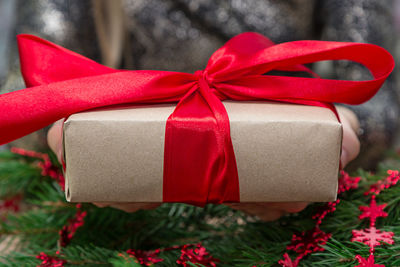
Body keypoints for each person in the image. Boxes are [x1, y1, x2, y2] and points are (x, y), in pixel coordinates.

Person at [2, 0, 398, 221]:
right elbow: (32, 88)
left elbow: (378, 95)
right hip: (123, 232)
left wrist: (347, 129)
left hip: (298, 224)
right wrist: (67, 138)